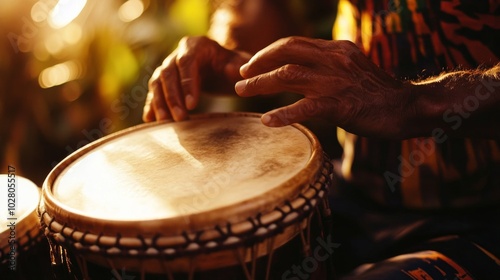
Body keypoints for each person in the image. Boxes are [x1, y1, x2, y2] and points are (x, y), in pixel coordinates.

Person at [143, 0, 500, 278]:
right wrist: (238, 63)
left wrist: (411, 103)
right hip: (353, 190)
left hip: (482, 213)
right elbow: (252, 14)